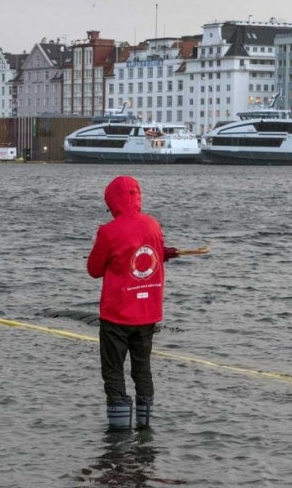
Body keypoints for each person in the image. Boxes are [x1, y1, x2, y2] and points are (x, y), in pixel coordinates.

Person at [87, 176, 209, 431]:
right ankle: (144, 428)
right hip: (147, 314)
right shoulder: (153, 225)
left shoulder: (108, 231)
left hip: (117, 316)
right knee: (142, 369)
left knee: (113, 371)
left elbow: (94, 269)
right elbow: (152, 253)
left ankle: (119, 434)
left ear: (112, 202)